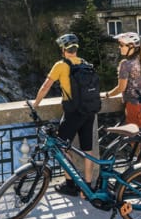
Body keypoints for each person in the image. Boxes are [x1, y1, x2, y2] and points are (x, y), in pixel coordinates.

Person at [33, 33, 96, 197]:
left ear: (63, 49)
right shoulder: (84, 63)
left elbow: (46, 86)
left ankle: (70, 184)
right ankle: (88, 186)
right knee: (88, 150)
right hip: (88, 111)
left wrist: (35, 104)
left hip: (73, 113)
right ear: (76, 49)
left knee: (61, 147)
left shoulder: (61, 65)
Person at [102, 32, 141, 127]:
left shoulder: (125, 64)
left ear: (131, 46)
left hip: (133, 105)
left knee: (134, 138)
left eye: (121, 45)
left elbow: (121, 88)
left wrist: (107, 94)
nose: (119, 47)